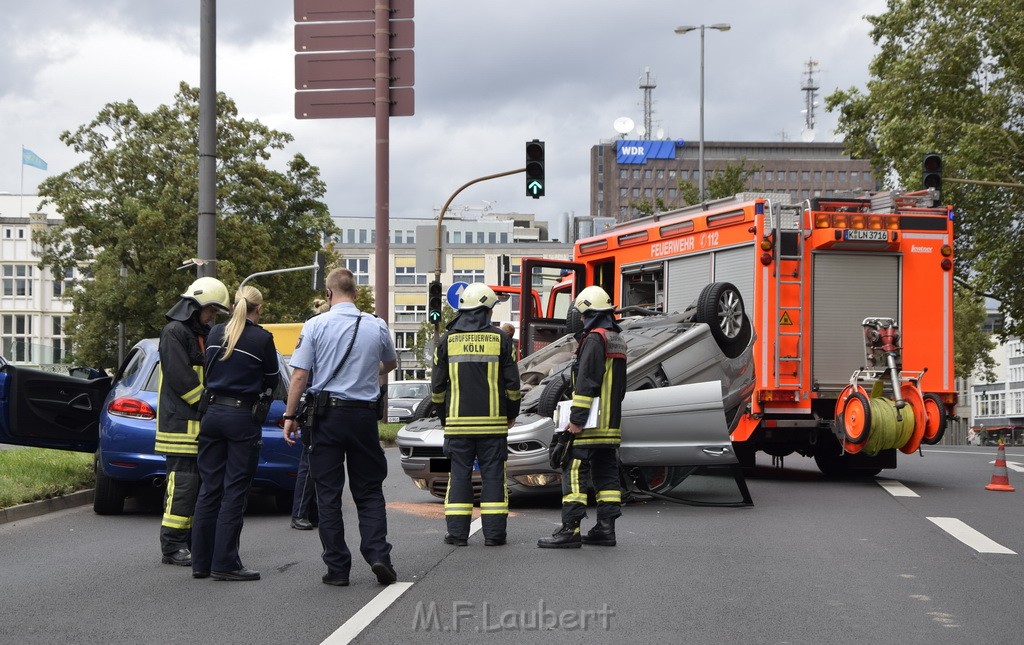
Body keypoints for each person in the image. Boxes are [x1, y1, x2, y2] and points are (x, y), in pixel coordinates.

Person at [282, 268, 399, 587]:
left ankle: (337, 568)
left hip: (326, 418)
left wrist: (290, 416)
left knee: (328, 493)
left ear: (329, 294)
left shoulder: (315, 324)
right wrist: (367, 370)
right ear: (356, 293)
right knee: (370, 489)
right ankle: (378, 555)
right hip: (363, 418)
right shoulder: (376, 325)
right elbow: (390, 363)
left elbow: (299, 376)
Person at [190, 285, 278, 581]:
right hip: (241, 417)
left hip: (212, 415)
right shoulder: (262, 339)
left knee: (209, 488)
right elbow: (272, 379)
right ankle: (225, 563)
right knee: (235, 490)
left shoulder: (215, 334)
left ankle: (200, 562)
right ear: (259, 308)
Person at [431, 283, 521, 547]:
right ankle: (494, 535)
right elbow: (512, 386)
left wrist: (444, 418)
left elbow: (437, 389)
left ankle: (457, 535)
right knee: (493, 477)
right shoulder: (501, 339)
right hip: (493, 426)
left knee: (459, 476)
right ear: (485, 310)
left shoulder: (447, 340)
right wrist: (511, 415)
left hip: (458, 426)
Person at [538, 285, 626, 549]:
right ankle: (606, 529)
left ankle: (570, 529)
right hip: (610, 423)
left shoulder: (594, 339)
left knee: (574, 470)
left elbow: (587, 381)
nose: (582, 320)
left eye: (583, 315)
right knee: (606, 473)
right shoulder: (616, 338)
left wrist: (576, 419)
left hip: (590, 423)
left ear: (588, 312)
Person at [156, 276, 230, 566]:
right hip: (181, 427)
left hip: (200, 426)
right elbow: (179, 376)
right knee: (184, 487)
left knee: (196, 488)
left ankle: (190, 543)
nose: (212, 315)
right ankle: (172, 547)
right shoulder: (174, 332)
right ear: (195, 304)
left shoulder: (201, 332)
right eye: (210, 309)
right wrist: (206, 403)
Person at [290, 299, 329, 531]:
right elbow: (302, 375)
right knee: (309, 461)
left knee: (316, 462)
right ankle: (300, 513)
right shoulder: (317, 330)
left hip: (319, 404)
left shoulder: (313, 329)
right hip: (315, 405)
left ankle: (310, 513)